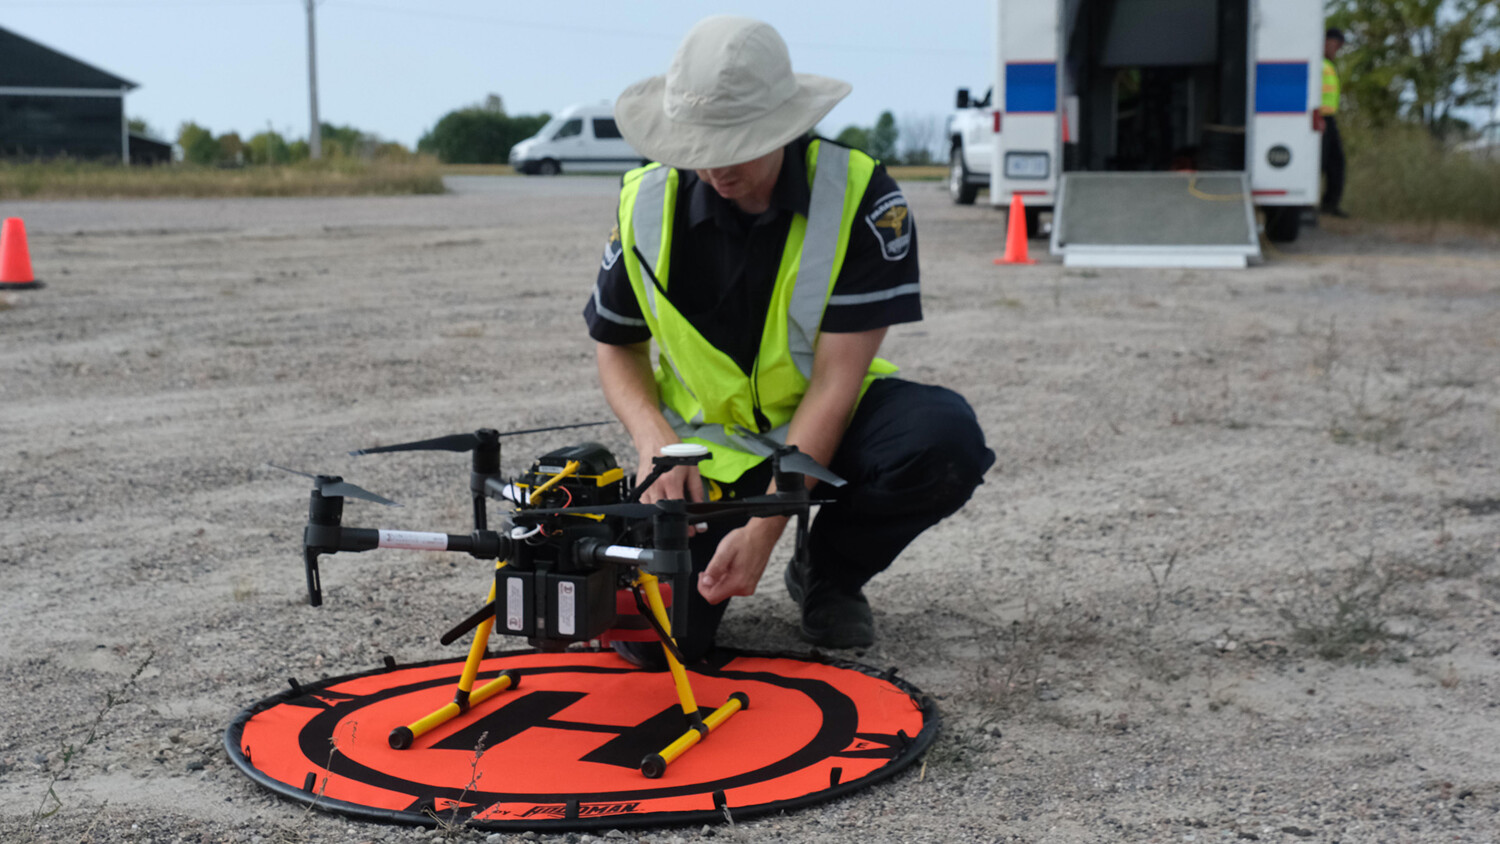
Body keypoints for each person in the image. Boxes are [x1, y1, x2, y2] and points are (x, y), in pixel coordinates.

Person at [583, 15, 994, 666]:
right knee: (661, 647)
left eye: (737, 143)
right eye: (698, 144)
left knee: (942, 444)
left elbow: (835, 381)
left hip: (831, 423)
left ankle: (827, 572)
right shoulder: (645, 202)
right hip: (704, 449)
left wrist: (767, 527)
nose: (714, 167)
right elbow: (617, 347)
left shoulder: (860, 197)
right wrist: (652, 439)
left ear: (786, 125)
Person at [1321, 27, 1348, 218]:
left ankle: (1330, 204)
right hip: (1319, 118)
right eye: (1336, 46)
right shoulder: (1320, 64)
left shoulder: (1327, 65)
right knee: (1321, 162)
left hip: (1328, 118)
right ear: (1327, 41)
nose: (1336, 50)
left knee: (1335, 162)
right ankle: (1314, 205)